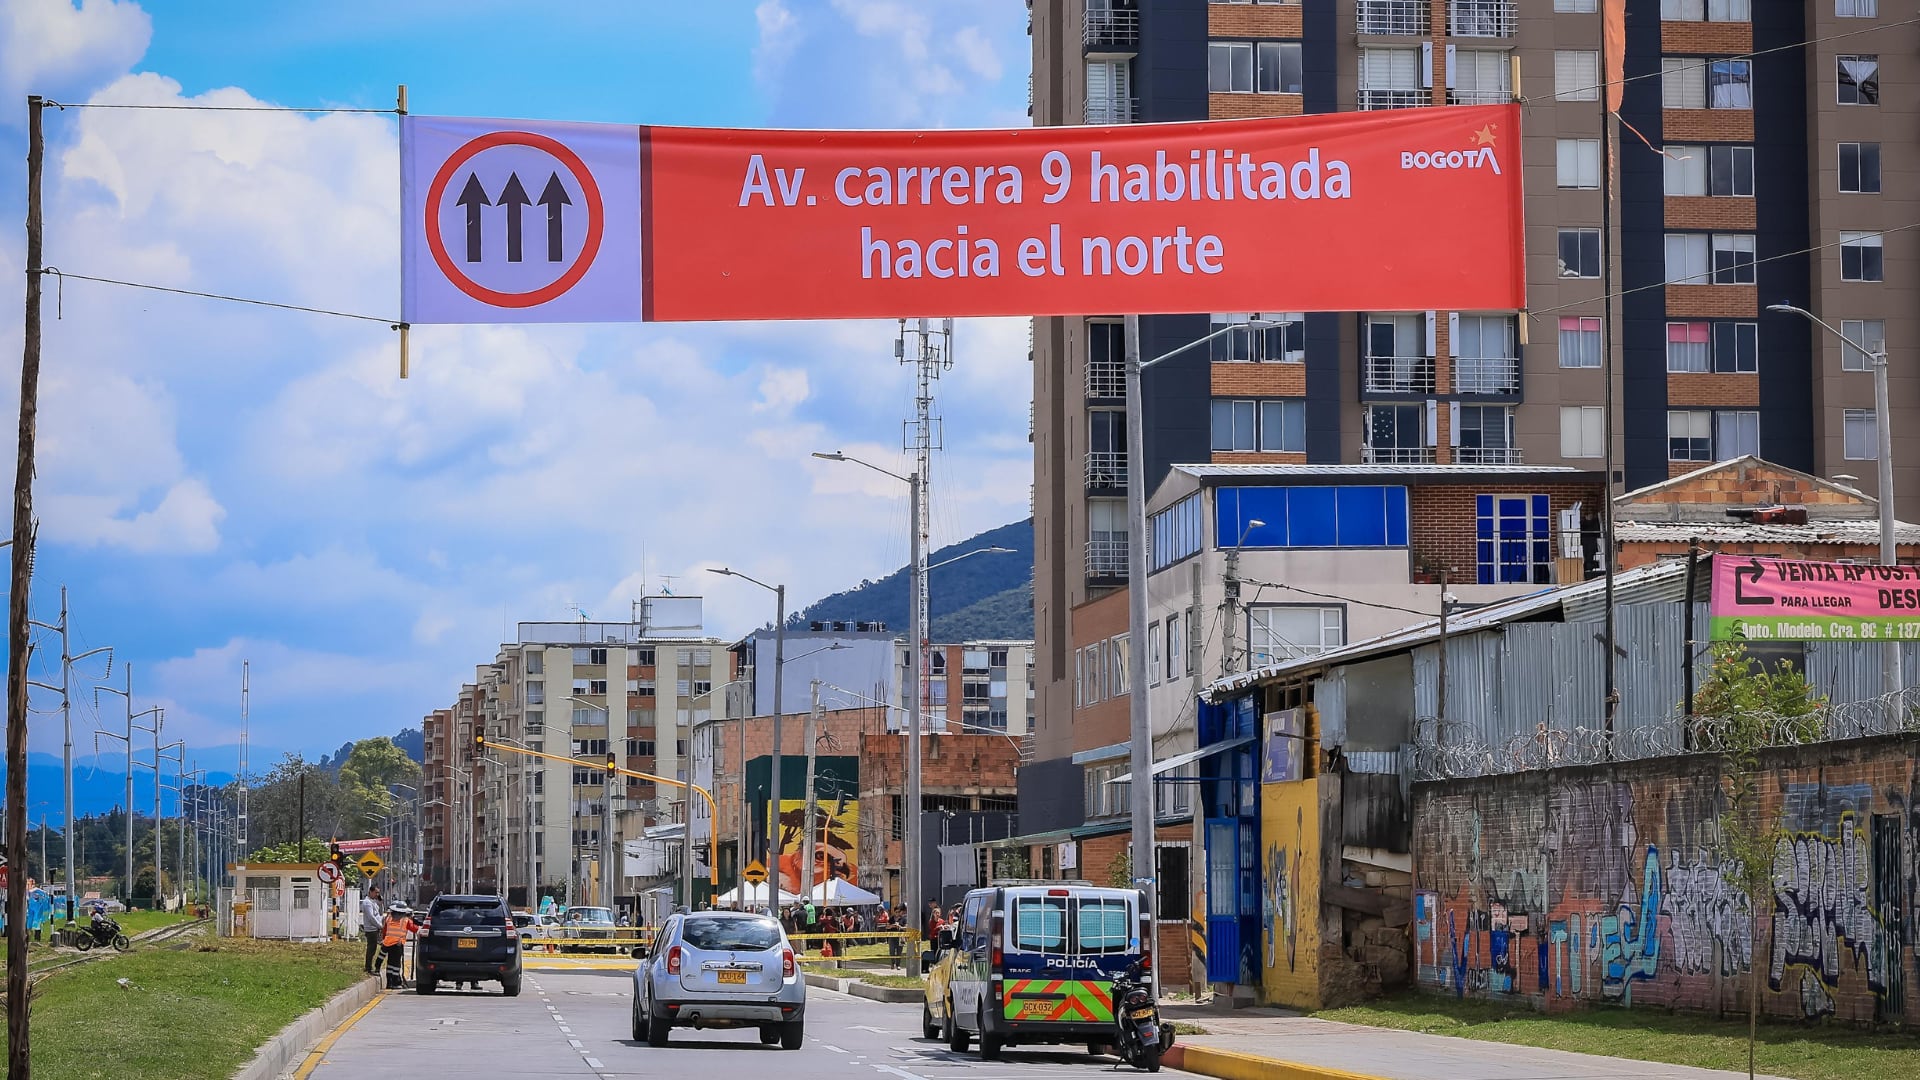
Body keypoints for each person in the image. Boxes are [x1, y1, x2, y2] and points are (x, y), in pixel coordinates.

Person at [380, 902, 419, 989]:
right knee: (396, 965)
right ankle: (395, 982)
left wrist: (384, 940)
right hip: (398, 945)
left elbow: (384, 931)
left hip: (388, 943)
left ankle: (389, 983)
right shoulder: (405, 920)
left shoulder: (388, 918)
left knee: (390, 964)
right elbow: (415, 929)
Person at [360, 888, 384, 974]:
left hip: (375, 928)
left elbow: (379, 914)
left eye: (378, 893)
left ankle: (369, 966)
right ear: (370, 892)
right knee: (371, 948)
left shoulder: (374, 902)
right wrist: (380, 926)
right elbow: (371, 917)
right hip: (371, 929)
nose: (377, 894)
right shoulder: (367, 903)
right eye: (375, 892)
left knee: (374, 948)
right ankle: (368, 967)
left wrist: (381, 903)